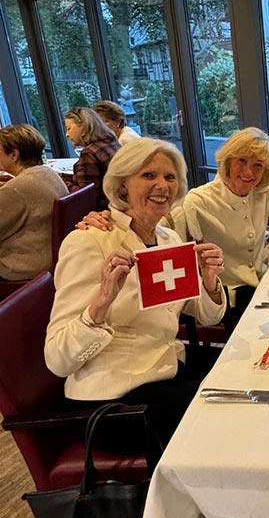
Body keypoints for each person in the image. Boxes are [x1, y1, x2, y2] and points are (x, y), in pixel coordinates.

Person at [45, 138, 226, 445]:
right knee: (224, 415)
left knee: (241, 375)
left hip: (164, 369)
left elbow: (206, 317)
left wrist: (208, 281)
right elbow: (57, 360)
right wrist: (102, 301)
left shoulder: (168, 240)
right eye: (148, 175)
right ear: (122, 184)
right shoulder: (89, 241)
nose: (162, 185)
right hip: (114, 400)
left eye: (170, 176)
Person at [79, 127, 269, 324]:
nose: (249, 172)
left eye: (258, 165)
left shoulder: (264, 191)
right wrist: (112, 217)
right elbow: (153, 228)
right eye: (242, 161)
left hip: (261, 280)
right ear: (227, 160)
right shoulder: (199, 200)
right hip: (230, 294)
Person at [0, 124, 68, 281]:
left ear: (14, 155)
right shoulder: (48, 173)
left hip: (24, 266)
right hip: (51, 256)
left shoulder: (15, 190)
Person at [64, 107, 121, 210]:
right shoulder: (111, 142)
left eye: (69, 128)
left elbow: (85, 198)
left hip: (104, 211)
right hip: (118, 204)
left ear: (83, 127)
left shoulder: (89, 154)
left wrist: (63, 183)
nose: (67, 134)